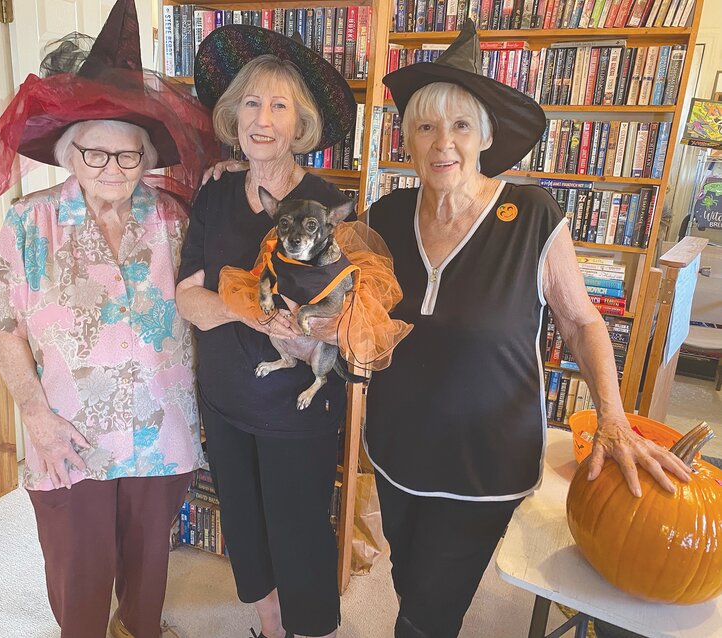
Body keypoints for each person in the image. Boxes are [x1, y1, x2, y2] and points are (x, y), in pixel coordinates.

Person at [363, 19, 694, 638]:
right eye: (426, 126)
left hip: (485, 458)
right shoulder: (384, 215)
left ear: (485, 135)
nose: (443, 143)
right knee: (408, 574)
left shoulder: (533, 214)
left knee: (431, 609)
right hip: (395, 445)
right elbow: (348, 299)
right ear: (407, 138)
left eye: (460, 125)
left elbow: (579, 320)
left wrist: (614, 419)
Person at [0, 2, 214, 637]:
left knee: (149, 556)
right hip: (67, 428)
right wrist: (37, 420)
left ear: (147, 157)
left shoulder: (178, 220)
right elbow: (4, 327)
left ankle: (141, 627)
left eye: (127, 157)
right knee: (78, 563)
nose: (112, 170)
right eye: (95, 155)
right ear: (69, 154)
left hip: (162, 426)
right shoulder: (30, 221)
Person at [176, 25, 360, 638]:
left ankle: (311, 630)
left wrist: (322, 325)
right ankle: (269, 624)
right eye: (251, 103)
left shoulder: (332, 203)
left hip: (299, 407)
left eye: (279, 106)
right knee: (247, 527)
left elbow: (351, 309)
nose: (262, 118)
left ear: (299, 124)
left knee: (301, 527)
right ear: (233, 116)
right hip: (227, 399)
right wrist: (250, 312)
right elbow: (189, 299)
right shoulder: (215, 193)